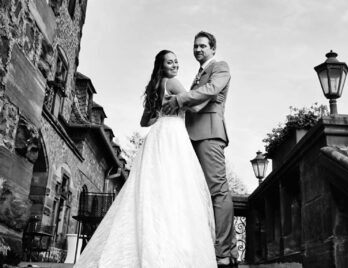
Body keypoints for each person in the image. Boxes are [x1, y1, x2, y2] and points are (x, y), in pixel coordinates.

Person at [74, 50, 217, 268]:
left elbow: (144, 122)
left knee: (153, 189)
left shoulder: (154, 86)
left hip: (157, 135)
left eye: (176, 61)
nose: (175, 65)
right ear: (162, 66)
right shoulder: (173, 82)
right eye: (170, 62)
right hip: (173, 135)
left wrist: (160, 113)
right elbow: (195, 106)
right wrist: (213, 97)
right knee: (176, 188)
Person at [163, 31, 238, 268]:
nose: (198, 49)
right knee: (199, 193)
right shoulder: (198, 74)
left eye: (203, 46)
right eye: (195, 46)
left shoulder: (220, 67)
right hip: (191, 136)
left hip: (209, 133)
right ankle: (225, 249)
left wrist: (178, 100)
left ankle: (223, 252)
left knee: (217, 191)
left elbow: (211, 90)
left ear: (213, 49)